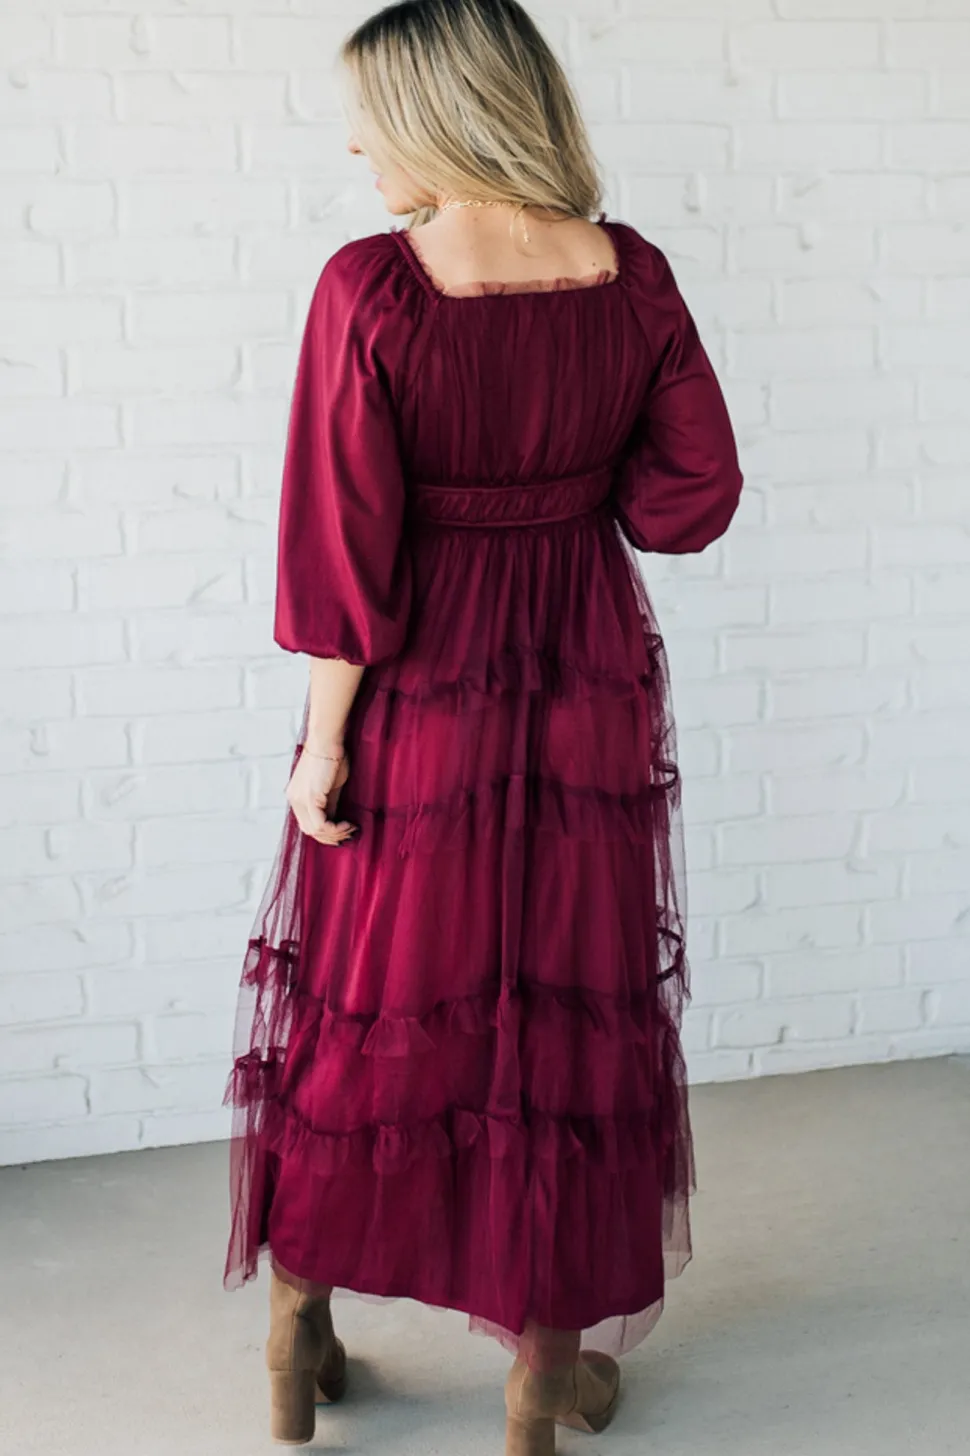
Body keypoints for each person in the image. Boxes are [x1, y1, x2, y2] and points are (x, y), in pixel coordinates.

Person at [223, 1, 743, 1451]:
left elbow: (343, 557)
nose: (356, 148)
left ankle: (297, 1326)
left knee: (372, 1004)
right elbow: (688, 499)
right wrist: (566, 481)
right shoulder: (632, 275)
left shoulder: (374, 290)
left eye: (371, 119)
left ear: (443, 117)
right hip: (584, 674)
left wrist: (324, 746)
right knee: (568, 1017)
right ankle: (539, 1383)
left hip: (422, 693)